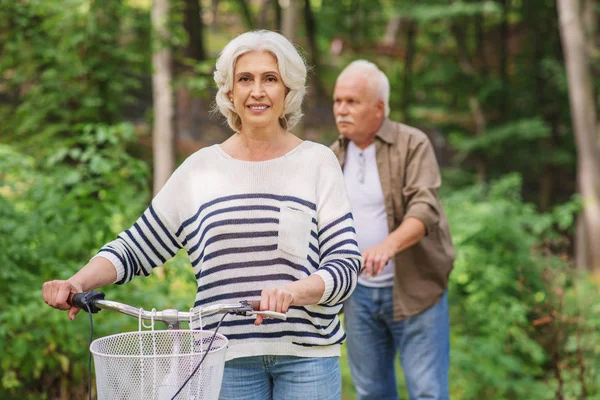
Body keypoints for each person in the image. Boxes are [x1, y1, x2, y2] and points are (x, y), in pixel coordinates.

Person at [43, 30, 362, 400]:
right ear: (229, 92)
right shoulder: (199, 170)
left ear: (288, 90)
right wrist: (77, 282)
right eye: (245, 79)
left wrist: (294, 292)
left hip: (306, 357)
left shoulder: (317, 162)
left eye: (270, 79)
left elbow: (345, 265)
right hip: (222, 357)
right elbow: (135, 247)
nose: (257, 91)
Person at [330, 60, 455, 400]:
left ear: (379, 108)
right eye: (338, 101)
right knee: (371, 393)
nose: (341, 110)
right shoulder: (330, 156)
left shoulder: (412, 143)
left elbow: (424, 208)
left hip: (416, 290)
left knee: (427, 392)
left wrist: (387, 246)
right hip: (358, 294)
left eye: (352, 102)